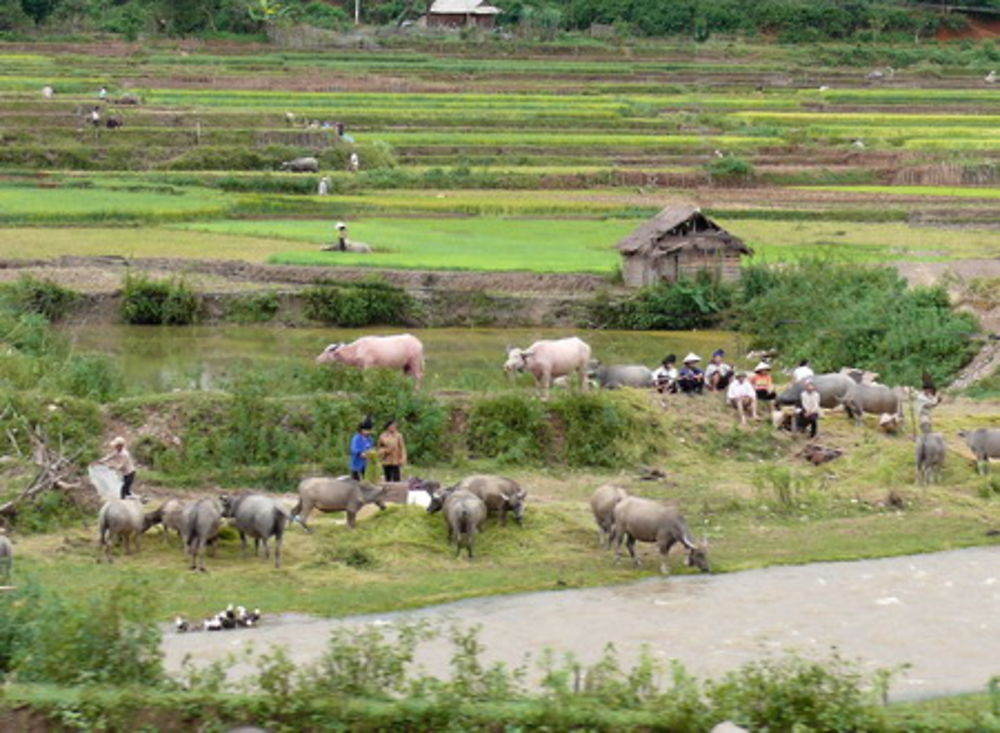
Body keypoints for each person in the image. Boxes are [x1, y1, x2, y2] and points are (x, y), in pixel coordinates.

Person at [349, 417, 375, 481]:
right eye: (366, 430)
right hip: (356, 463)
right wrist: (360, 453)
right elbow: (353, 449)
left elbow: (371, 448)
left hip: (366, 464)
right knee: (356, 482)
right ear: (361, 430)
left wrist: (371, 454)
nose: (367, 432)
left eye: (369, 430)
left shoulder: (370, 439)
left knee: (366, 481)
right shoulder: (356, 438)